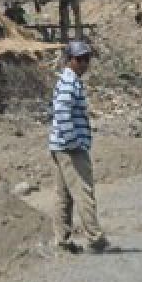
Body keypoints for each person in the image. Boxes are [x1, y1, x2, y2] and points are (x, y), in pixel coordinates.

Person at [47, 40, 109, 255]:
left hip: (60, 146)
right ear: (69, 60)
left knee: (64, 195)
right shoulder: (68, 83)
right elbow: (62, 114)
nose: (84, 63)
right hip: (69, 148)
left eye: (87, 59)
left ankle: (62, 241)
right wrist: (74, 143)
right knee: (83, 192)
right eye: (80, 59)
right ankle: (95, 237)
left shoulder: (70, 81)